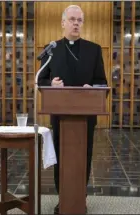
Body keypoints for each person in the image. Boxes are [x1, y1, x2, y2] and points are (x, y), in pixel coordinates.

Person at [37, 5, 108, 214]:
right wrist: (52, 85)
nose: (76, 23)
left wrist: (91, 89)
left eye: (79, 20)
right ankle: (63, 197)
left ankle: (80, 196)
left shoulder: (93, 50)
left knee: (84, 154)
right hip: (60, 115)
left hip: (86, 116)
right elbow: (41, 80)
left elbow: (102, 83)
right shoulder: (51, 49)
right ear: (63, 22)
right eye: (72, 19)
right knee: (61, 155)